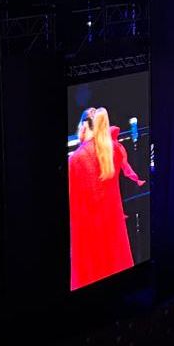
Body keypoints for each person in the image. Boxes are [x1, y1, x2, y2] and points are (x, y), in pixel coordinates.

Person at [67, 106, 145, 290]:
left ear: (85, 126)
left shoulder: (76, 160)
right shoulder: (114, 151)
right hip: (114, 232)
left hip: (90, 240)